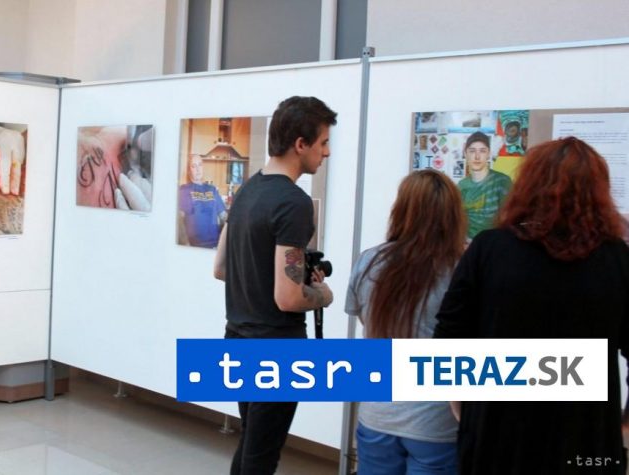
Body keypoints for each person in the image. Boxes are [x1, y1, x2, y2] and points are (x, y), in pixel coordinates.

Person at [434, 137, 629, 474]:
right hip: (585, 434)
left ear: (528, 185)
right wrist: (622, 423)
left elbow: (449, 335)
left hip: (498, 430)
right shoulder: (618, 259)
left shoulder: (490, 249)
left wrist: (461, 403)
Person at [213, 96, 336, 475]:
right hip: (275, 348)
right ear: (300, 144)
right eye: (323, 143)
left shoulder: (247, 190)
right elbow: (289, 297)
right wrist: (322, 295)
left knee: (252, 443)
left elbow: (220, 268)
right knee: (261, 456)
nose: (327, 152)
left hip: (237, 338)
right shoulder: (294, 203)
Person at [346, 170, 465, 475]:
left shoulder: (369, 261)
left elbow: (365, 319)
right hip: (436, 422)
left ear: (400, 209)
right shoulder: (460, 267)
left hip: (377, 414)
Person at [458, 131, 512, 239]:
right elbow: (459, 219)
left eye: (482, 151)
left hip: (494, 243)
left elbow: (509, 220)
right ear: (465, 154)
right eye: (472, 151)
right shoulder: (461, 185)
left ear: (488, 154)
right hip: (468, 243)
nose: (477, 157)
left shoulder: (502, 181)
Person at [178, 154, 227, 248]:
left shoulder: (212, 189)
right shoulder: (184, 190)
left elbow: (223, 216)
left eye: (200, 165)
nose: (198, 169)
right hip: (194, 246)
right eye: (194, 166)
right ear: (189, 171)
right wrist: (185, 244)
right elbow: (179, 220)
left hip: (214, 244)